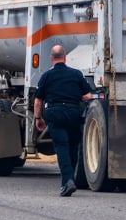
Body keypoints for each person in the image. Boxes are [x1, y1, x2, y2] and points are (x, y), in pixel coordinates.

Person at [34, 44, 93, 197]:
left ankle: (67, 181)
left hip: (54, 113)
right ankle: (70, 179)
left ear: (51, 58)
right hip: (73, 113)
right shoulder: (76, 74)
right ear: (65, 57)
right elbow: (87, 96)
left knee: (61, 147)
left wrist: (38, 118)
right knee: (73, 147)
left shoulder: (46, 76)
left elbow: (38, 101)